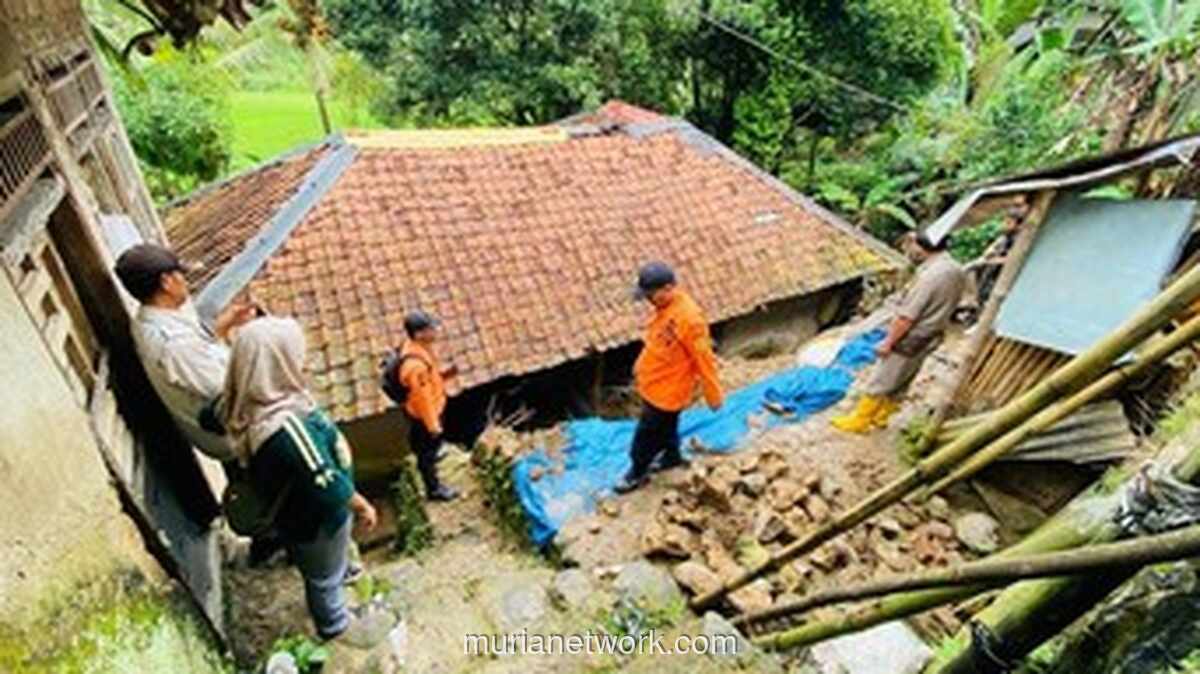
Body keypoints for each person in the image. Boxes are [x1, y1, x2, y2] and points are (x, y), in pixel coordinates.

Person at [219, 316, 378, 640]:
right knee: (324, 579)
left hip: (294, 514)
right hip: (318, 518)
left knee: (319, 563)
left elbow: (210, 415)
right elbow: (327, 482)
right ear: (278, 362)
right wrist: (362, 507)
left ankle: (337, 574)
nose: (303, 360)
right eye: (294, 353)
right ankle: (335, 625)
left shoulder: (246, 401)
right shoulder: (287, 426)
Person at [114, 243, 256, 465]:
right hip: (234, 437)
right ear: (167, 282)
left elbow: (199, 356)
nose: (185, 281)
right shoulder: (174, 345)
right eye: (180, 274)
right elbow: (233, 397)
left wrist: (222, 327)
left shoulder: (149, 318)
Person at [832, 232, 967, 434]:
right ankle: (882, 416)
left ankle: (860, 420)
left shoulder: (930, 276)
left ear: (922, 247)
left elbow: (907, 316)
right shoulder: (955, 268)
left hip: (912, 334)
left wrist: (888, 342)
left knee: (883, 377)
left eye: (912, 244)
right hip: (933, 332)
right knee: (905, 377)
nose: (910, 249)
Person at [615, 262, 723, 494]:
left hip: (668, 391)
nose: (648, 301)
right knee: (668, 425)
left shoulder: (690, 319)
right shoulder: (665, 310)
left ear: (667, 288)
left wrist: (713, 393)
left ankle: (636, 471)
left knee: (646, 433)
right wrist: (640, 365)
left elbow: (704, 359)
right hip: (654, 382)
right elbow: (656, 342)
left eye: (650, 295)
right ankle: (672, 457)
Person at [397, 310, 459, 502]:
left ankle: (433, 454)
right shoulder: (415, 367)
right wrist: (433, 426)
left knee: (430, 447)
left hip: (431, 408)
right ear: (419, 334)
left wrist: (445, 375)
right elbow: (422, 399)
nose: (436, 331)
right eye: (431, 328)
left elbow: (429, 379)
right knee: (426, 453)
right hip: (423, 417)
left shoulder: (418, 348)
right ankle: (434, 489)